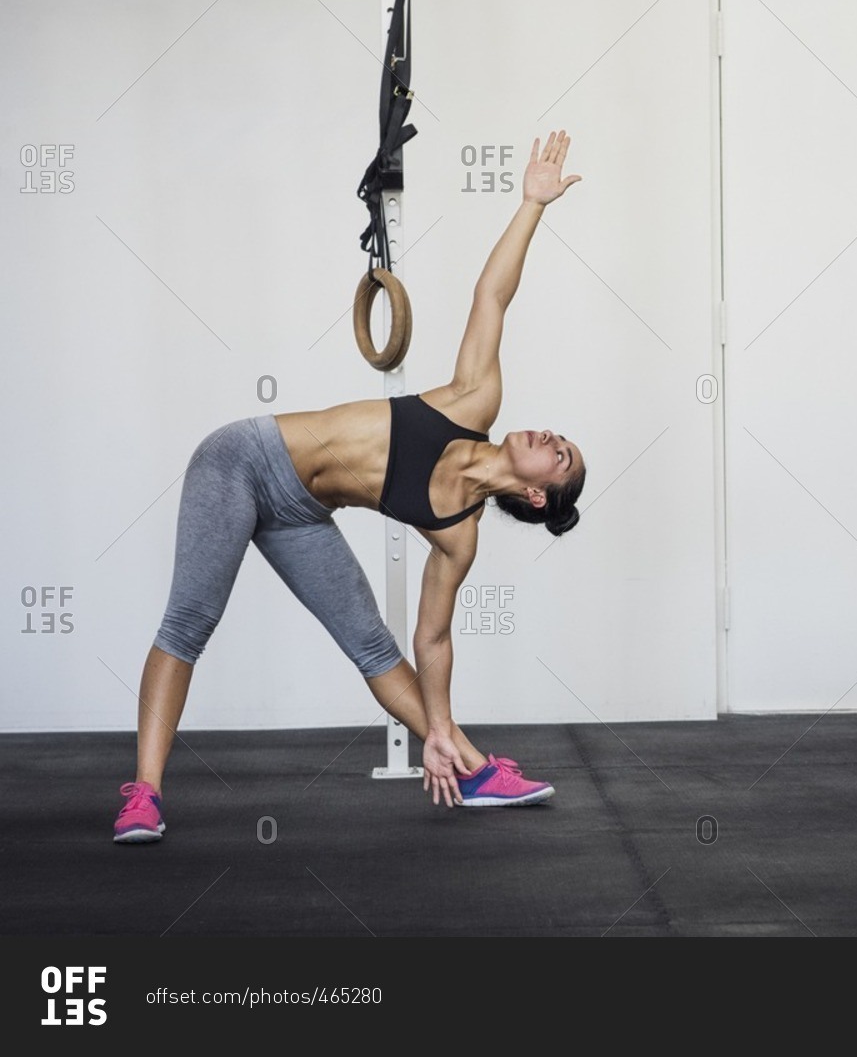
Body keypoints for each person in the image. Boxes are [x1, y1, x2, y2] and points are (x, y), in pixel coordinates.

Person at [113, 131, 587, 843]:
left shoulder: (458, 535)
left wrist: (435, 724)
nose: (550, 437)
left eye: (562, 455)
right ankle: (143, 795)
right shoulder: (473, 398)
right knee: (189, 623)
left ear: (540, 496)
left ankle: (467, 761)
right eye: (557, 434)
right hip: (242, 459)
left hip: (300, 511)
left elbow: (432, 640)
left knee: (374, 645)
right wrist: (531, 205)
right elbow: (492, 294)